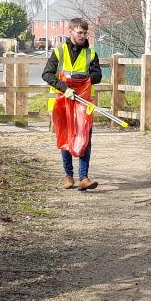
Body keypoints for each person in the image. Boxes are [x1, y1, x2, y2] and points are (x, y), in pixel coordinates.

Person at [43, 15, 103, 190]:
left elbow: (98, 76)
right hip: (62, 102)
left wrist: (82, 79)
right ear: (71, 31)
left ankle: (83, 178)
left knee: (85, 138)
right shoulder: (59, 52)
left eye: (85, 33)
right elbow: (47, 74)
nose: (82, 35)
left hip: (83, 103)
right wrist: (64, 88)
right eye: (79, 32)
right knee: (67, 138)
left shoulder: (91, 54)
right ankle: (68, 176)